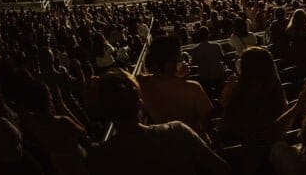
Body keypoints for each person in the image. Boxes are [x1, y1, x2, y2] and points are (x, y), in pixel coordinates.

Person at [88, 69, 231, 175]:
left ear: (103, 111)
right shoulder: (177, 131)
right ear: (140, 103)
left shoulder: (100, 158)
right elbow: (222, 168)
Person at [137, 35, 214, 136]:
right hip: (194, 142)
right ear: (172, 60)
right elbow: (208, 121)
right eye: (179, 55)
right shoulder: (193, 88)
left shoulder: (142, 85)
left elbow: (160, 80)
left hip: (166, 142)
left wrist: (176, 77)